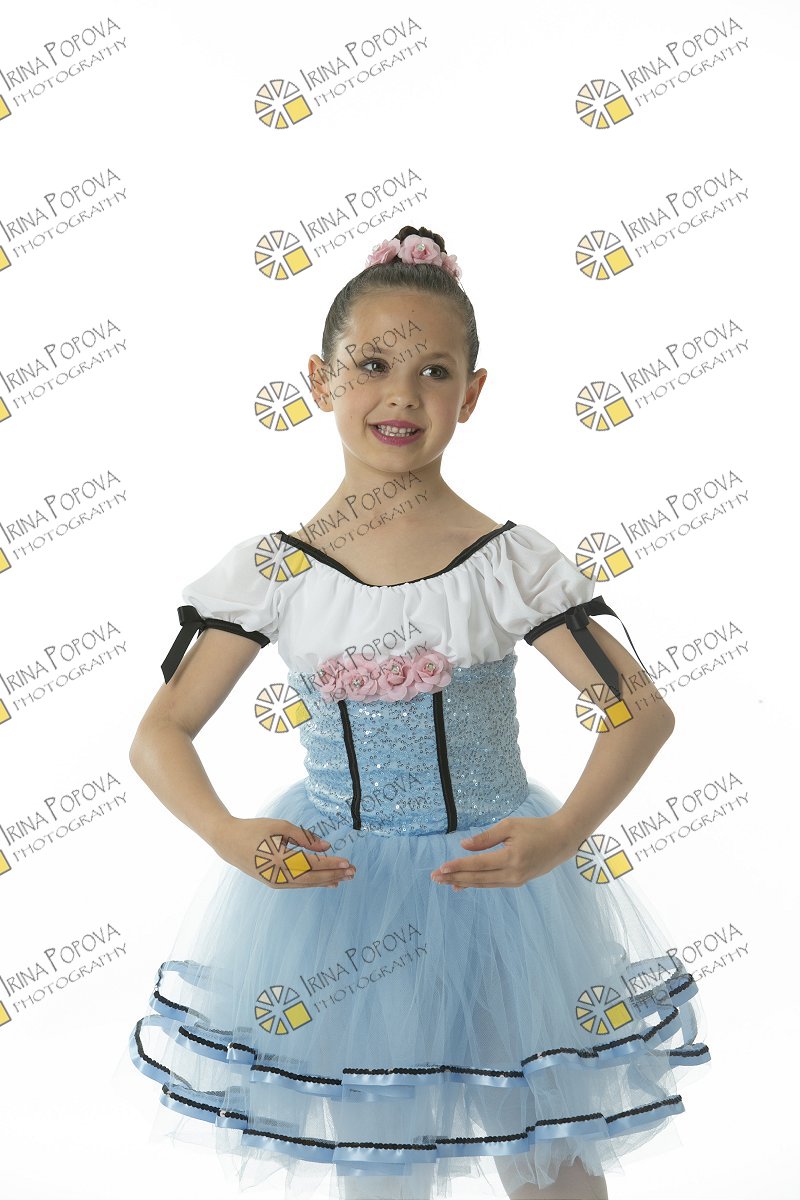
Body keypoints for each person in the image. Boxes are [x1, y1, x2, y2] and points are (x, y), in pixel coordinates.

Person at [125, 225, 711, 1200]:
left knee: (553, 1157)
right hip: (340, 898)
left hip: (501, 888)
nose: (401, 394)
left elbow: (640, 709)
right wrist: (227, 832)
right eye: (372, 365)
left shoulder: (506, 562)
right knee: (380, 1162)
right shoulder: (276, 573)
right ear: (319, 380)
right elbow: (160, 731)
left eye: (433, 371)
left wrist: (564, 831)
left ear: (470, 394)